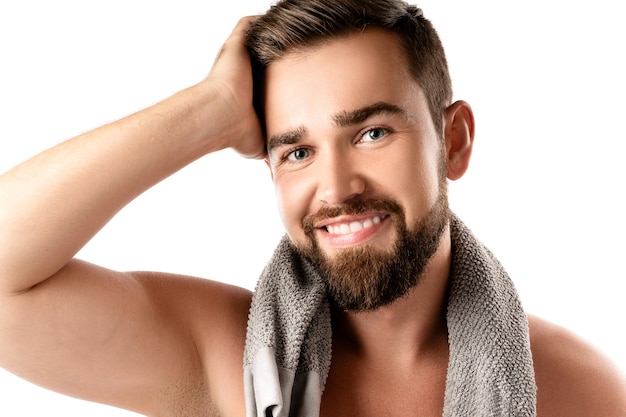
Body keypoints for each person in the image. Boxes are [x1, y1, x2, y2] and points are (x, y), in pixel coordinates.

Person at [0, 0, 624, 416]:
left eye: (372, 133)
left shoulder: (575, 390)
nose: (335, 187)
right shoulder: (229, 357)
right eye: (296, 152)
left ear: (453, 141)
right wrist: (212, 108)